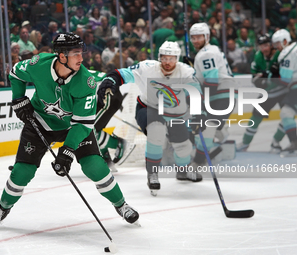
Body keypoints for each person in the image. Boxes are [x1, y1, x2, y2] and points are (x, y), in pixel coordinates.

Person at [0, 33, 139, 228]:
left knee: (94, 166)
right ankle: (3, 208)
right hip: (40, 121)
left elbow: (82, 124)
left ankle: (121, 205)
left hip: (72, 127)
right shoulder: (38, 64)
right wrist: (18, 98)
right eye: (75, 54)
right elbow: (15, 73)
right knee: (23, 172)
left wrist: (67, 150)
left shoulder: (86, 82)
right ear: (61, 56)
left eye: (81, 53)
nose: (81, 59)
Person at [96, 41, 205, 196]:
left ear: (177, 58)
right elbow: (122, 74)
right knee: (156, 132)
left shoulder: (186, 72)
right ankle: (152, 173)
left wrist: (199, 115)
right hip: (149, 108)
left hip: (175, 114)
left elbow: (197, 95)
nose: (167, 62)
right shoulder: (147, 68)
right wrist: (111, 80)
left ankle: (183, 171)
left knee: (184, 147)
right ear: (159, 57)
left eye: (172, 58)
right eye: (164, 58)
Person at [189, 23, 237, 169]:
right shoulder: (210, 50)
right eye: (193, 37)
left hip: (221, 96)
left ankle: (198, 161)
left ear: (207, 37)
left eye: (199, 37)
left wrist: (200, 108)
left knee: (207, 127)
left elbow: (211, 83)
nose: (196, 40)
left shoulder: (205, 54)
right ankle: (219, 133)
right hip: (224, 95)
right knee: (201, 127)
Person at [237, 34, 288, 152]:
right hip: (268, 93)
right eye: (261, 46)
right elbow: (255, 79)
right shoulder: (258, 56)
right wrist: (268, 78)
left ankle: (276, 142)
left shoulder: (281, 54)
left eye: (266, 45)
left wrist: (268, 77)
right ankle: (245, 143)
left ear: (271, 45)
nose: (264, 49)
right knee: (255, 116)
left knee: (287, 117)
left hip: (284, 91)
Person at [271, 29, 297, 154]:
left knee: (286, 113)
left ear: (285, 41)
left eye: (278, 44)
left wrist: (273, 76)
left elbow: (286, 79)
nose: (277, 48)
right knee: (287, 115)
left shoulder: (286, 53)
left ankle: (294, 143)